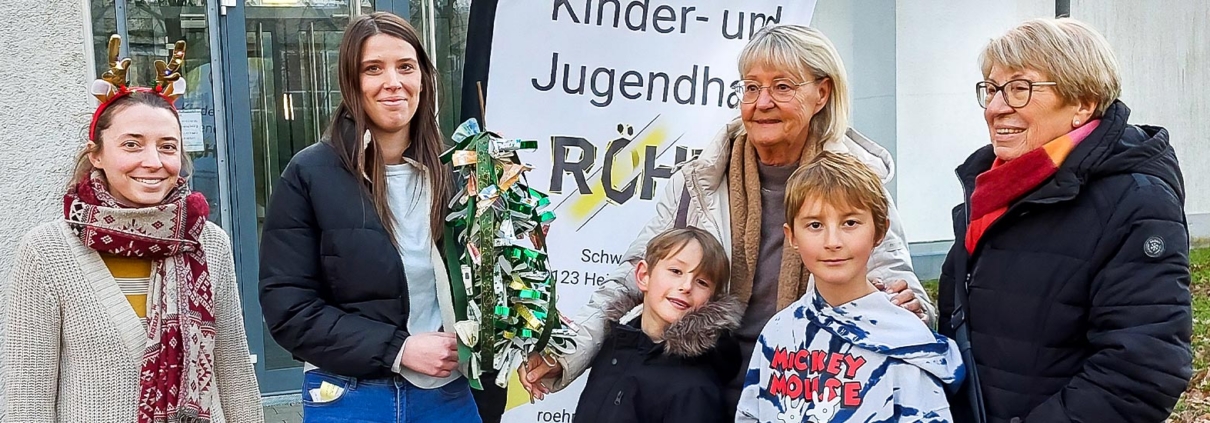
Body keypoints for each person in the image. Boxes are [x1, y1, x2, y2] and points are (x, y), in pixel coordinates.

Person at [521, 24, 935, 411]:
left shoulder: (854, 185)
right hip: (701, 394)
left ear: (821, 94)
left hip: (807, 398)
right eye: (751, 87)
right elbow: (632, 280)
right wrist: (565, 354)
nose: (762, 102)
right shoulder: (698, 181)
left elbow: (902, 292)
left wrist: (909, 308)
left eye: (782, 87)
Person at [938, 17, 1191, 423]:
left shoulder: (1135, 201)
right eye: (992, 88)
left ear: (1083, 104)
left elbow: (1140, 373)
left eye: (1020, 88)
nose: (996, 108)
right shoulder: (993, 190)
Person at [3, 37, 262, 422]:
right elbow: (27, 396)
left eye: (167, 146)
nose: (153, 161)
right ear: (97, 155)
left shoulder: (207, 242)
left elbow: (234, 369)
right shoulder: (47, 251)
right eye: (132, 145)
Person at [258, 12, 479, 423]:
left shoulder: (458, 172)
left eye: (405, 66)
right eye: (373, 68)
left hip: (445, 394)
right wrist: (399, 349)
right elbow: (289, 308)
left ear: (423, 78)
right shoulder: (310, 174)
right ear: (351, 81)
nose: (392, 82)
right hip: (348, 395)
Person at [737, 152, 963, 422]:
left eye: (850, 223)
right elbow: (750, 413)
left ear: (880, 231)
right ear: (792, 236)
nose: (833, 241)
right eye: (815, 225)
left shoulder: (906, 341)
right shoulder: (777, 333)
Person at [560, 227, 742, 423]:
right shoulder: (616, 343)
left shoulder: (696, 388)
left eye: (702, 282)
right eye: (676, 271)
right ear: (643, 275)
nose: (686, 286)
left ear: (712, 299)